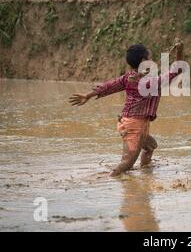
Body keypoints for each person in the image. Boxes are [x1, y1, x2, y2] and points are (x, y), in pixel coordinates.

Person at [69, 40, 183, 176]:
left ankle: (145, 173)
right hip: (135, 126)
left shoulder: (130, 77)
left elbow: (110, 85)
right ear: (144, 61)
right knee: (126, 165)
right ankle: (107, 181)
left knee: (150, 146)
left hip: (128, 122)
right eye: (150, 58)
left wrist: (88, 95)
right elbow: (176, 71)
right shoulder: (150, 82)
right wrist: (180, 51)